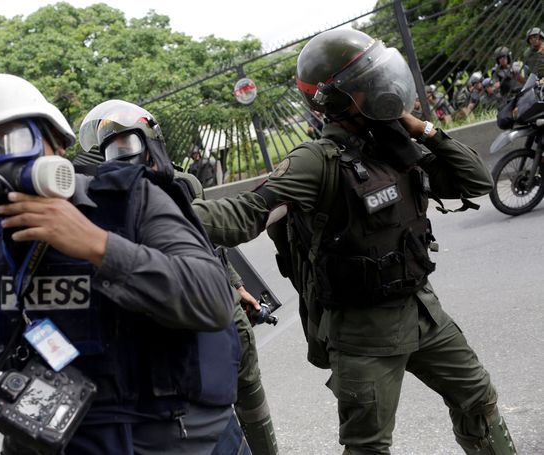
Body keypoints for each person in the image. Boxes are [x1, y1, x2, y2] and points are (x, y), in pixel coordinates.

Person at [0, 74, 243, 455]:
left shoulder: (135, 202)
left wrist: (98, 246)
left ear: (57, 144)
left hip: (190, 443)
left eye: (13, 140)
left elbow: (212, 300)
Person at [192, 29, 518, 454]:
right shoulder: (315, 162)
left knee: (479, 400)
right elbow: (246, 213)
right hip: (363, 334)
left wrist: (422, 129)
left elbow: (475, 180)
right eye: (369, 83)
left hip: (423, 312)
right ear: (337, 100)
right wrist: (161, 215)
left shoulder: (396, 144)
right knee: (368, 446)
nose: (384, 88)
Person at [76, 99, 278, 455]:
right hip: (180, 322)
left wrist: (236, 284)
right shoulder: (97, 204)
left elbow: (204, 246)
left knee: (247, 397)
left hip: (214, 306)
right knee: (217, 413)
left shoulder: (179, 184)